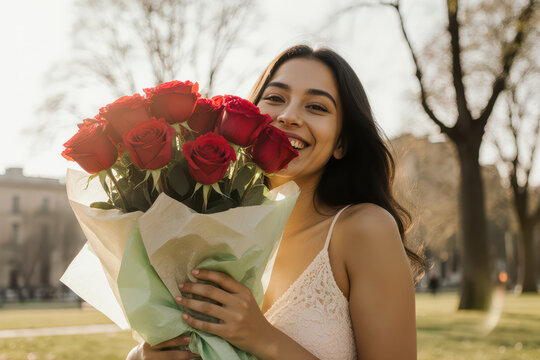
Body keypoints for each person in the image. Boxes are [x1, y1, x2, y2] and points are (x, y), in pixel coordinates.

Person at [127, 44, 425, 360]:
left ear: (341, 142)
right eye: (275, 98)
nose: (288, 116)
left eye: (317, 107)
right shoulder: (207, 228)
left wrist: (263, 338)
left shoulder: (364, 229)